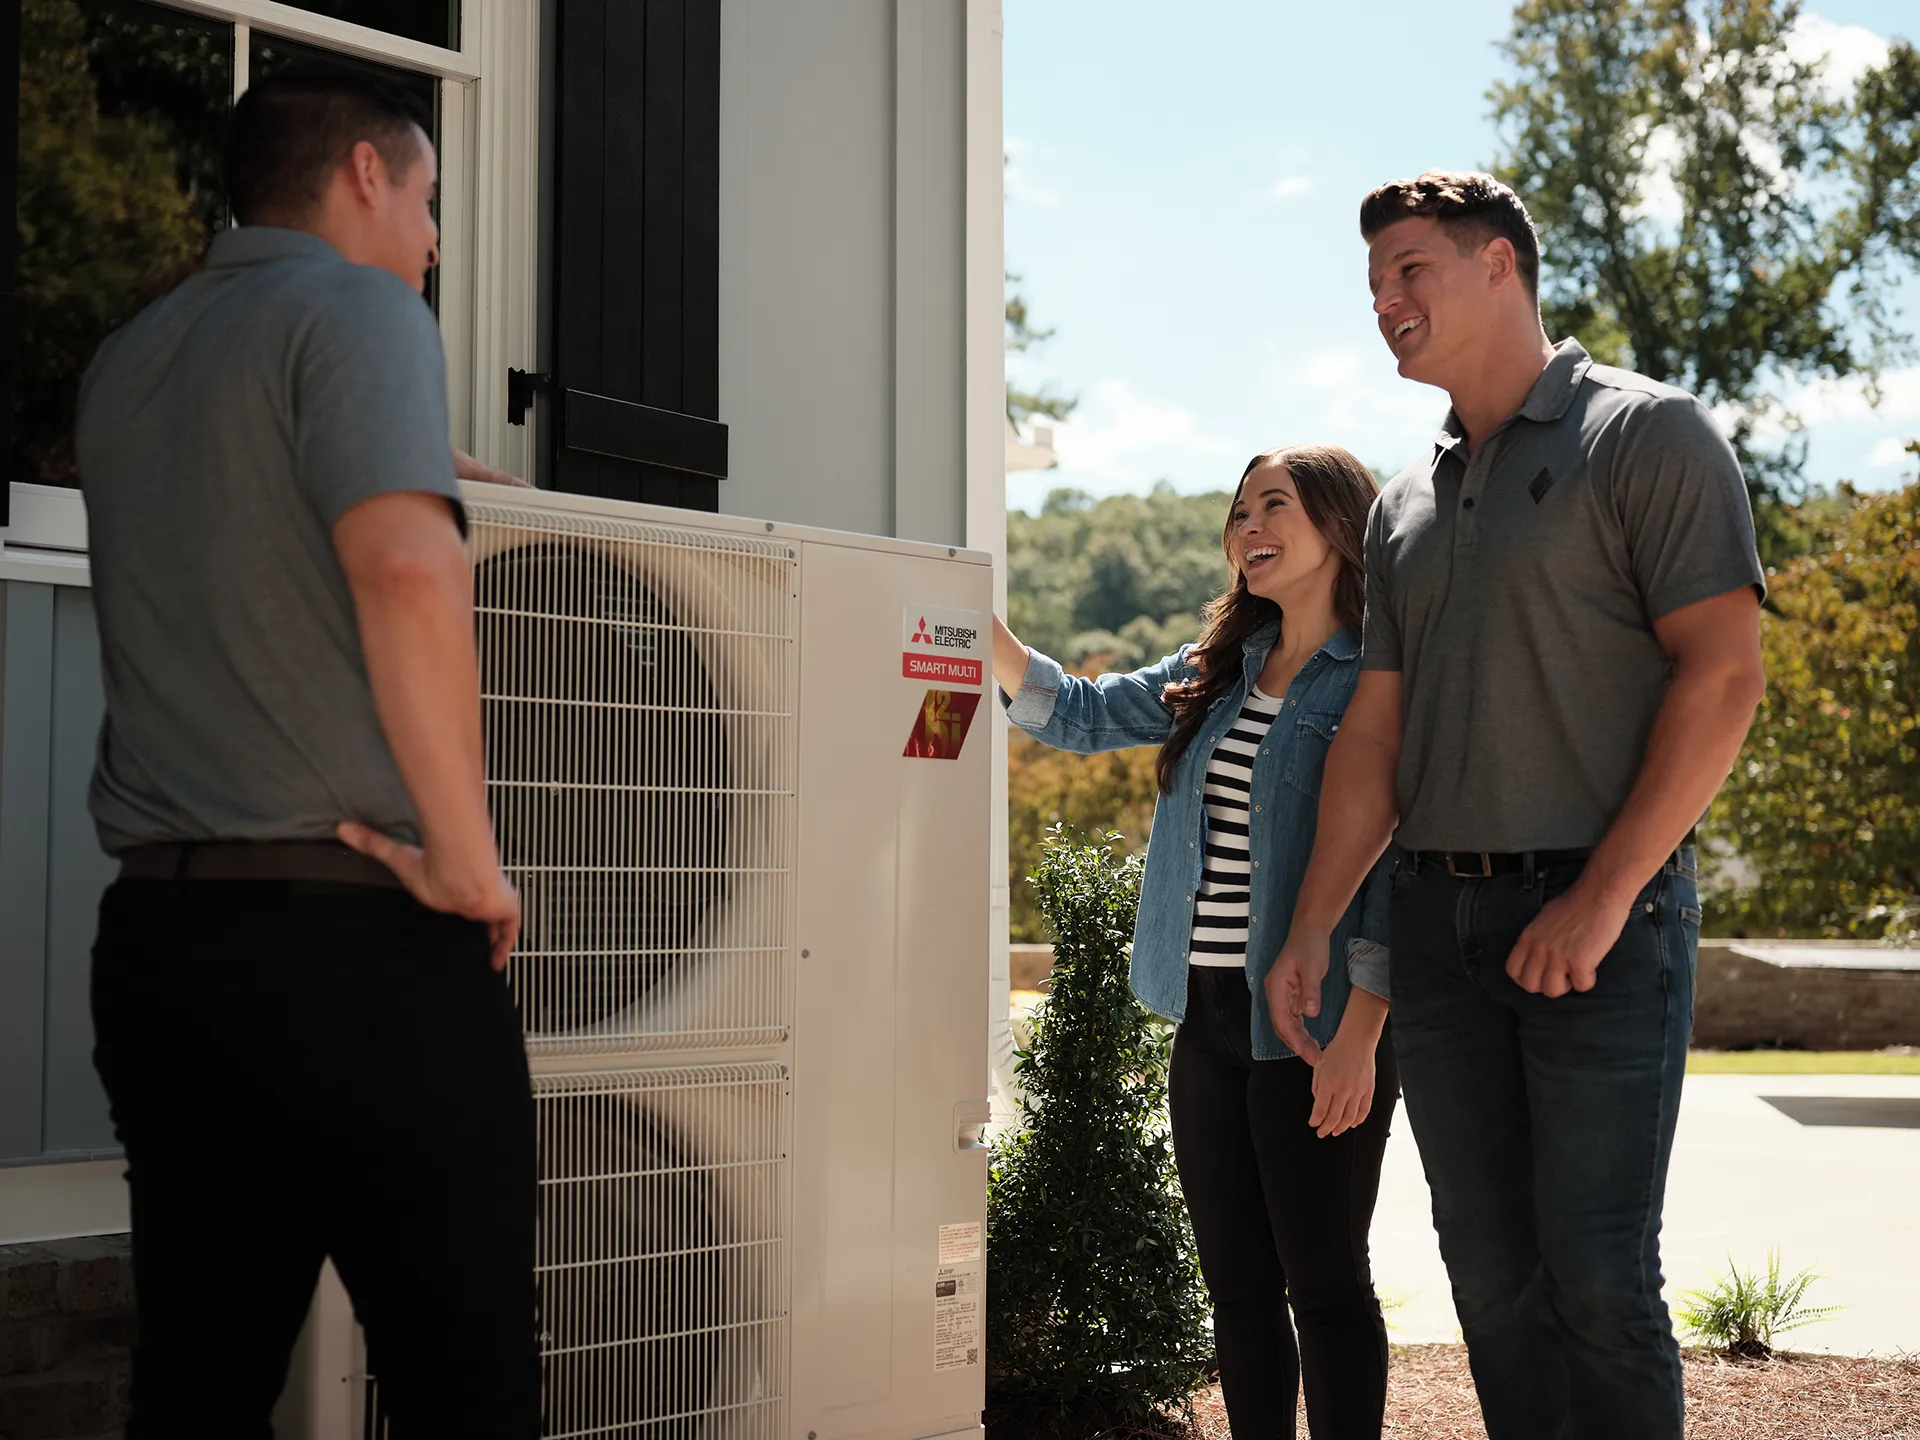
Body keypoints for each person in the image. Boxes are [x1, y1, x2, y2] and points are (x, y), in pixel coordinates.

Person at [75, 66, 539, 1436]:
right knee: (469, 1383)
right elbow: (402, 572)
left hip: (161, 953)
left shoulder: (133, 355)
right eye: (429, 199)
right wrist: (470, 864)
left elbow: (238, 528)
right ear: (359, 175)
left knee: (203, 1378)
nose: (435, 239)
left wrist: (424, 457)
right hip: (358, 953)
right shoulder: (359, 309)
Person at [1266, 172, 1767, 1440]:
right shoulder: (1406, 503)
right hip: (1435, 932)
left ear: (1502, 266)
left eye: (1412, 270)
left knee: (1598, 1278)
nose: (1386, 301)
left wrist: (1602, 901)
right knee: (1490, 1283)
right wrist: (1318, 920)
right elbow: (1376, 728)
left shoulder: (1647, 436)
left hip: (1601, 922)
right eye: (1374, 284)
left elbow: (1723, 677)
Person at [996, 446, 1400, 1439]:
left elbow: (1400, 864)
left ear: (1342, 527)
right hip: (1207, 1021)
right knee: (1240, 1294)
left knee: (1329, 1287)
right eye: (1238, 510)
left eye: (1276, 505)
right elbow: (1082, 715)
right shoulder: (1216, 671)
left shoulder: (1379, 680)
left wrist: (1363, 1038)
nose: (1248, 525)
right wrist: (973, 621)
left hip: (1318, 1025)